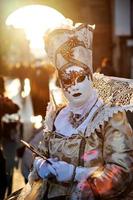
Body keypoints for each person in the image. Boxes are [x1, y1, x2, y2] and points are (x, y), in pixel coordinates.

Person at [12, 20, 133, 200]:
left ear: (91, 77)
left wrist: (76, 173)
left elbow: (122, 174)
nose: (73, 86)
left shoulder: (109, 116)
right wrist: (40, 165)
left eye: (80, 77)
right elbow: (42, 153)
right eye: (67, 80)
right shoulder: (58, 114)